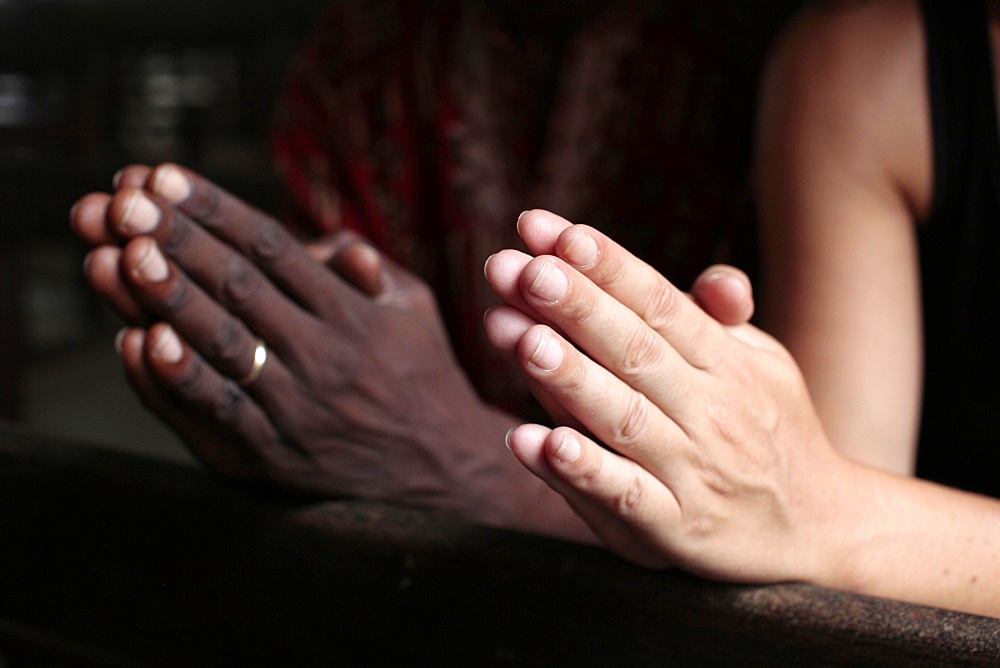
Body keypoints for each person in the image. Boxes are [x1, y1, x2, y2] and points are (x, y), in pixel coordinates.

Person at [70, 0, 776, 541]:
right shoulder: (358, 64)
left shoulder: (772, 52)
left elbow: (783, 522)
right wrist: (305, 351)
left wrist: (460, 457)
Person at [480, 0, 1000, 617]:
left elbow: (820, 520)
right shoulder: (882, 73)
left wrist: (827, 510)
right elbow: (819, 553)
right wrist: (727, 436)